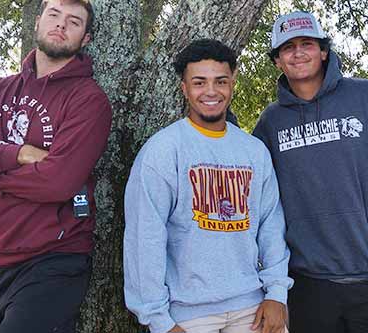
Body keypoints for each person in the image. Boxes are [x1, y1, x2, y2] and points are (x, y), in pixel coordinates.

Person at [252, 11, 368, 333]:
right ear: (277, 61)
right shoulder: (271, 123)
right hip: (307, 284)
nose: (298, 53)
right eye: (287, 48)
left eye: (307, 44)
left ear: (324, 51)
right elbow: (253, 192)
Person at [0, 0, 112, 332]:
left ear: (85, 37)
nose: (61, 26)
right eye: (54, 15)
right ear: (38, 22)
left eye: (73, 22)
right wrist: (15, 154)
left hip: (54, 260)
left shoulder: (88, 100)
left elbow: (58, 182)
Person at [123, 39, 292, 333]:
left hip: (251, 307)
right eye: (199, 82)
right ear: (184, 88)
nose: (211, 91)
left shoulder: (254, 151)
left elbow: (271, 226)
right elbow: (144, 238)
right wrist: (158, 319)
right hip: (188, 315)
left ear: (232, 84)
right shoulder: (163, 150)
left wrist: (277, 293)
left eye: (221, 81)